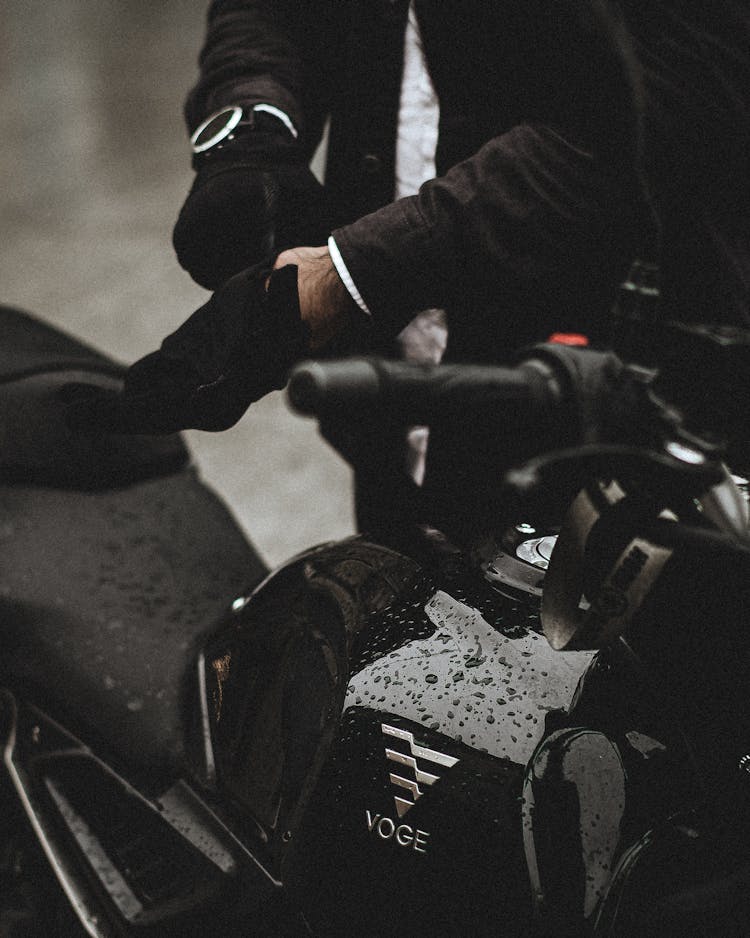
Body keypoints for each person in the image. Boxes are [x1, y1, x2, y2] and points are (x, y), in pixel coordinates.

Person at [92, 1, 749, 438]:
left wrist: (347, 276)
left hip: (603, 389)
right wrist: (251, 127)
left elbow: (656, 123)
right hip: (391, 377)